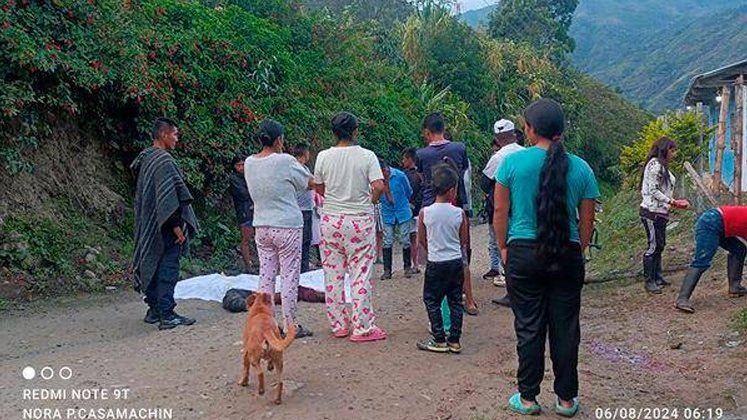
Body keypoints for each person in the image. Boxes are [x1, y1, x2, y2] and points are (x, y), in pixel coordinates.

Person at [494, 99, 600, 417]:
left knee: (528, 327)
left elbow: (500, 211)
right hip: (566, 254)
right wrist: (576, 250)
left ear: (529, 130)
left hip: (523, 254)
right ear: (561, 131)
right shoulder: (582, 168)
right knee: (566, 328)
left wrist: (503, 248)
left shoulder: (512, 164)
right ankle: (566, 400)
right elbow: (587, 223)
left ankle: (527, 398)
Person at [314, 111, 387, 342]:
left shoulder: (323, 156)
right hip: (359, 221)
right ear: (355, 131)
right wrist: (370, 200)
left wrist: (333, 199)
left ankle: (339, 325)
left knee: (333, 274)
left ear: (333, 133)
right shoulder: (367, 156)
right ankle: (362, 327)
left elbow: (319, 187)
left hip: (331, 220)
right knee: (360, 273)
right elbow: (378, 185)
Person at [244, 119, 314, 338]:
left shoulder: (249, 162)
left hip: (262, 225)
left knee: (265, 276)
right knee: (289, 276)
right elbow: (308, 182)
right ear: (279, 140)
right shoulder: (285, 161)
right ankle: (290, 325)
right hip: (287, 226)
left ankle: (264, 324)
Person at [131, 117, 199, 330]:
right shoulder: (163, 161)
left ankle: (154, 309)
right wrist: (177, 227)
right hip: (167, 226)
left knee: (153, 261)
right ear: (163, 134)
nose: (177, 139)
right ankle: (167, 314)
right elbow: (168, 201)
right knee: (168, 267)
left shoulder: (147, 158)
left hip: (151, 224)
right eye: (175, 134)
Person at [416, 112, 478, 316]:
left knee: (432, 261)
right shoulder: (459, 148)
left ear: (427, 132)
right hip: (457, 205)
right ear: (444, 128)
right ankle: (469, 300)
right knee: (462, 256)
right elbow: (465, 173)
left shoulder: (422, 154)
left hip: (429, 207)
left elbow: (422, 178)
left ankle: (437, 304)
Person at [416, 164, 468, 354]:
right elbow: (464, 240)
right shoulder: (459, 213)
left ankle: (438, 338)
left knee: (431, 300)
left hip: (436, 261)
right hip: (455, 262)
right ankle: (455, 339)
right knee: (455, 301)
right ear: (452, 190)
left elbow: (421, 239)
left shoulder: (425, 213)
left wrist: (432, 250)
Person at [480, 119, 524, 309]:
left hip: (506, 210)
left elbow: (484, 183)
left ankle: (513, 292)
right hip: (527, 208)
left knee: (506, 248)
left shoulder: (498, 158)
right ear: (515, 134)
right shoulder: (526, 153)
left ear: (497, 139)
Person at [639, 137, 690, 294]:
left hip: (661, 212)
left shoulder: (662, 166)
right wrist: (672, 202)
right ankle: (649, 281)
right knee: (654, 246)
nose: (674, 154)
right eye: (672, 150)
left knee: (660, 245)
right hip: (651, 211)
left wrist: (670, 203)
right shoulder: (655, 165)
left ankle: (657, 276)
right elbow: (654, 190)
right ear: (664, 150)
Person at [675, 206, 747, 313]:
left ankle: (735, 287)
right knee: (702, 260)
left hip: (723, 225)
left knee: (739, 249)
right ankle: (682, 299)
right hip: (711, 222)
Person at [379, 159, 414, 280]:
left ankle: (407, 267)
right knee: (387, 240)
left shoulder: (400, 175)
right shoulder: (377, 180)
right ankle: (387, 270)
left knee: (405, 239)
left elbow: (409, 192)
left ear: (386, 169)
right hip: (387, 212)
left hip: (402, 210)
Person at [229, 154, 256, 273]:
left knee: (258, 237)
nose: (241, 167)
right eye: (238, 165)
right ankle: (248, 266)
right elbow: (243, 194)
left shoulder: (250, 175)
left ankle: (254, 262)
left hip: (255, 210)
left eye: (243, 164)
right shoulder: (234, 178)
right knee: (246, 238)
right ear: (234, 166)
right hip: (244, 211)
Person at [292, 142, 315, 273]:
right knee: (301, 241)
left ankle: (304, 268)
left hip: (306, 208)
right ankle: (301, 270)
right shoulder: (297, 168)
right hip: (300, 209)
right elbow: (311, 184)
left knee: (306, 241)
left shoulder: (305, 168)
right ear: (304, 153)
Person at [402, 148, 424, 273]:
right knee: (413, 236)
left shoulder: (412, 175)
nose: (403, 161)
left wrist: (413, 203)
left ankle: (415, 263)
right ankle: (414, 263)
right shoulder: (413, 174)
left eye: (404, 158)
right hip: (413, 207)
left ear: (410, 159)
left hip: (414, 208)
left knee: (414, 236)